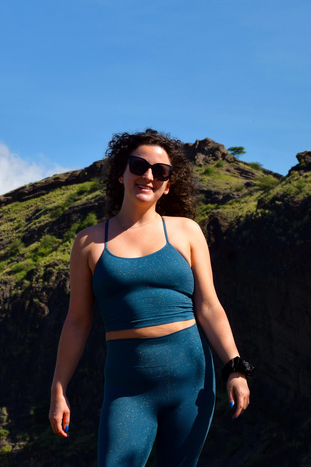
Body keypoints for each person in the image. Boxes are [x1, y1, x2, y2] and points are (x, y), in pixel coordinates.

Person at [48, 129, 253, 466]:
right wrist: (58, 389)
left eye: (160, 171)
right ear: (121, 173)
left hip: (191, 378)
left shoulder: (186, 231)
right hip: (127, 385)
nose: (148, 176)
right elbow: (77, 321)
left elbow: (209, 306)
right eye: (138, 165)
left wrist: (235, 368)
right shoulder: (88, 243)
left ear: (169, 184)